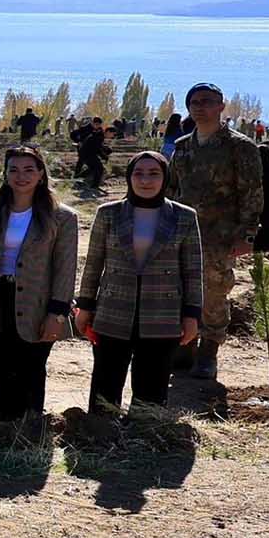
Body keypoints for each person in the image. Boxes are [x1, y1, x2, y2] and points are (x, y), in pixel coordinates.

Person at [76, 152, 203, 413]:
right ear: (129, 177)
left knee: (152, 389)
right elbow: (93, 264)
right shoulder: (108, 213)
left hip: (162, 315)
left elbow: (192, 271)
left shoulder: (185, 217)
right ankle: (101, 430)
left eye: (154, 173)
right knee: (105, 385)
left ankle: (143, 431)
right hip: (113, 311)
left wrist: (192, 315)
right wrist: (85, 306)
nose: (145, 180)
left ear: (165, 177)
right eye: (139, 173)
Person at [0, 146, 78, 425]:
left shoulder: (62, 217)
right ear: (5, 174)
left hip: (37, 304)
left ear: (41, 174)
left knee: (30, 368)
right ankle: (5, 429)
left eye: (29, 169)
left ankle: (30, 430)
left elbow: (65, 270)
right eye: (14, 170)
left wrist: (57, 313)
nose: (21, 176)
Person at [167, 82, 264, 380]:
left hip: (219, 236)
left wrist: (247, 234)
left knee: (214, 292)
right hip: (183, 233)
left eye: (207, 101)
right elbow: (171, 189)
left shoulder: (240, 147)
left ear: (221, 107)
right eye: (194, 102)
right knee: (180, 289)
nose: (200, 107)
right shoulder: (183, 146)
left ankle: (208, 352)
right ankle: (185, 346)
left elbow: (252, 193)